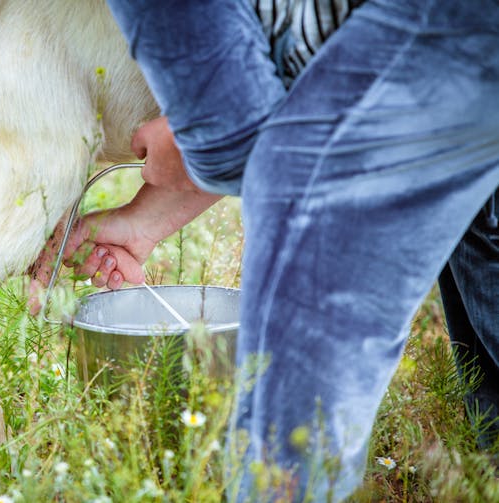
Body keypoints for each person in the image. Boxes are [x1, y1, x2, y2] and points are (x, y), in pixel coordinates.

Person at [31, 0, 499, 500]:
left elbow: (233, 137)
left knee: (287, 444)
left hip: (433, 39)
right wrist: (144, 219)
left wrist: (194, 138)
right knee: (483, 227)